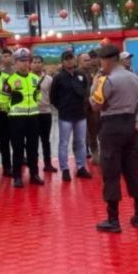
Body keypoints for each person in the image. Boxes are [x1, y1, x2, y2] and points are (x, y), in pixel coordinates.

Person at [90, 45, 138, 234]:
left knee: (111, 172)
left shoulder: (107, 80)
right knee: (133, 171)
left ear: (107, 60)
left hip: (111, 126)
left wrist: (95, 85)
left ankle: (113, 219)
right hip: (130, 125)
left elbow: (96, 105)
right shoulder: (135, 78)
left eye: (101, 60)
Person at [3, 48, 43, 188]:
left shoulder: (35, 78)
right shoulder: (10, 80)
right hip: (16, 119)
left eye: (26, 60)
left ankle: (34, 174)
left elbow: (38, 95)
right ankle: (17, 177)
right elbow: (4, 99)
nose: (25, 63)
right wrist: (10, 109)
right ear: (15, 63)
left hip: (33, 117)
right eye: (21, 60)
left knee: (33, 148)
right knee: (18, 149)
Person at [50, 50, 92, 182]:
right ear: (62, 62)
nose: (69, 61)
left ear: (74, 60)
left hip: (80, 114)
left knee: (81, 142)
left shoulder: (81, 75)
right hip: (65, 116)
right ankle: (65, 169)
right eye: (66, 59)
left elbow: (85, 91)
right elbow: (53, 97)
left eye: (71, 59)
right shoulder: (58, 78)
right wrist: (62, 107)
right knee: (64, 143)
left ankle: (81, 167)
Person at [31, 56, 57, 173]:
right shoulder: (27, 78)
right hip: (31, 113)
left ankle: (48, 164)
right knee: (33, 141)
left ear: (43, 64)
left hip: (46, 112)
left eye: (39, 62)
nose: (37, 64)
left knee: (45, 140)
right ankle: (33, 165)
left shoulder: (49, 79)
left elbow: (53, 95)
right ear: (31, 64)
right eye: (34, 62)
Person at [85, 49, 102, 164]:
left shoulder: (103, 71)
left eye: (96, 58)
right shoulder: (84, 73)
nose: (94, 60)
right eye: (91, 58)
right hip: (90, 106)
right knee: (92, 131)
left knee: (104, 129)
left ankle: (103, 151)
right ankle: (94, 152)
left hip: (103, 105)